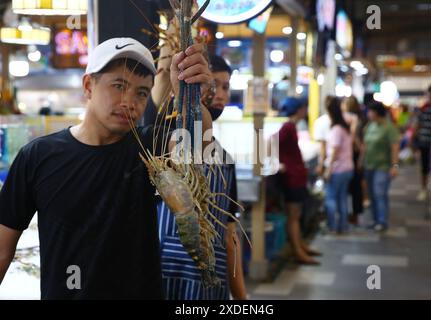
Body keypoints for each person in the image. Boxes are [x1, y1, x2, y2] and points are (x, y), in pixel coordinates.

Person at [0, 37, 212, 299]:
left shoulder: (149, 146)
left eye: (142, 92)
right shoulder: (38, 156)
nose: (129, 101)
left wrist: (189, 96)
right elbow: (2, 248)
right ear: (88, 85)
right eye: (119, 86)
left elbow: (198, 145)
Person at [153, 54, 247, 300]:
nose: (221, 94)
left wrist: (241, 298)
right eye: (213, 85)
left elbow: (230, 235)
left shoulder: (225, 159)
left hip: (211, 283)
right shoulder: (165, 140)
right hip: (164, 277)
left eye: (226, 87)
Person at [278, 97, 321, 265]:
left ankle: (301, 246)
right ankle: (298, 251)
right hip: (292, 178)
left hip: (296, 177)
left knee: (297, 214)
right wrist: (280, 163)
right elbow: (272, 142)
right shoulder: (288, 126)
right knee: (294, 216)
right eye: (304, 108)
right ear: (299, 109)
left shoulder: (291, 126)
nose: (306, 111)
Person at [362, 102, 400, 232]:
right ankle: (375, 219)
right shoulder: (370, 126)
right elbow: (365, 145)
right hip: (369, 165)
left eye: (369, 111)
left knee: (380, 193)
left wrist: (395, 166)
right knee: (372, 194)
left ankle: (382, 221)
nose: (367, 114)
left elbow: (395, 147)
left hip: (383, 167)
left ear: (376, 112)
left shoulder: (389, 128)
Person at [324, 97, 354, 234]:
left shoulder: (336, 129)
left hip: (338, 169)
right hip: (348, 167)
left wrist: (328, 170)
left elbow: (334, 152)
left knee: (330, 198)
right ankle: (343, 226)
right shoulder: (345, 127)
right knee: (342, 198)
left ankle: (332, 226)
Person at [341, 96, 365, 225]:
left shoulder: (352, 120)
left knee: (351, 187)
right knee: (355, 187)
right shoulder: (359, 119)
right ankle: (354, 214)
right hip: (354, 156)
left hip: (350, 156)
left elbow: (354, 138)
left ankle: (350, 215)